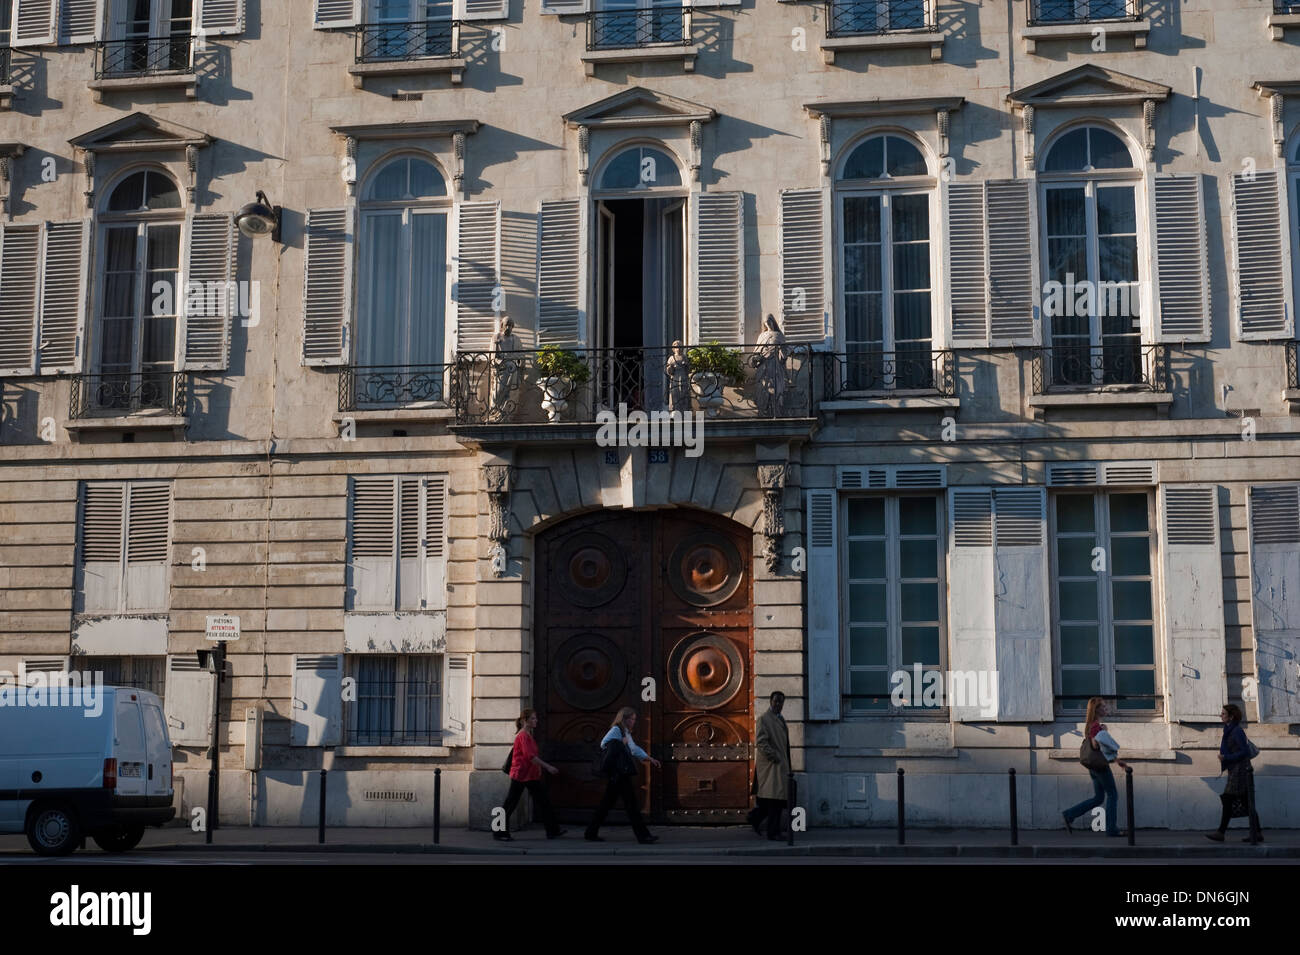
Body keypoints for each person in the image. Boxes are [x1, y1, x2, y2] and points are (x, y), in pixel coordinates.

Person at [585, 706, 660, 844]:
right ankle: (643, 836)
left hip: (619, 775)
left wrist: (649, 758)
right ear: (624, 719)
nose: (634, 721)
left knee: (606, 805)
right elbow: (603, 744)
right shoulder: (616, 730)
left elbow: (633, 749)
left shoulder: (625, 732)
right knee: (631, 805)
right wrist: (620, 743)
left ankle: (590, 832)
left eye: (634, 719)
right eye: (632, 719)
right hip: (618, 774)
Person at [1062, 696, 1129, 837]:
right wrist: (1104, 731)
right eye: (1103, 706)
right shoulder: (1096, 726)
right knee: (1112, 795)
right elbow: (1095, 745)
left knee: (1099, 798)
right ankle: (1111, 829)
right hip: (1100, 766)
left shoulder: (1091, 725)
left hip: (1093, 766)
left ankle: (1069, 815)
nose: (1106, 708)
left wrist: (1117, 760)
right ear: (1097, 710)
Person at [494, 708, 564, 841]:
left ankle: (553, 831)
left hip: (529, 775)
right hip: (521, 775)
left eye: (535, 718)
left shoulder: (527, 734)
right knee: (510, 804)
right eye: (533, 718)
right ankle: (498, 832)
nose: (536, 720)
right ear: (524, 721)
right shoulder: (523, 736)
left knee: (544, 802)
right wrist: (548, 767)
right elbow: (530, 757)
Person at [1206, 703, 1264, 844]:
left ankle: (1221, 832)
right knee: (1245, 801)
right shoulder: (1229, 730)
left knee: (1228, 799)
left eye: (1224, 714)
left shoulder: (1236, 731)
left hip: (1240, 771)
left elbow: (1244, 751)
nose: (1221, 716)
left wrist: (1227, 758)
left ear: (1231, 717)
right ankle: (1256, 833)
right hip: (1235, 770)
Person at [747, 691, 791, 840]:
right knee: (775, 802)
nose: (778, 704)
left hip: (779, 766)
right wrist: (776, 757)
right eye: (776, 701)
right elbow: (761, 742)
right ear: (770, 702)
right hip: (771, 767)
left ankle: (754, 818)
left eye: (780, 702)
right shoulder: (764, 719)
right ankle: (773, 833)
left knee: (773, 801)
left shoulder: (780, 719)